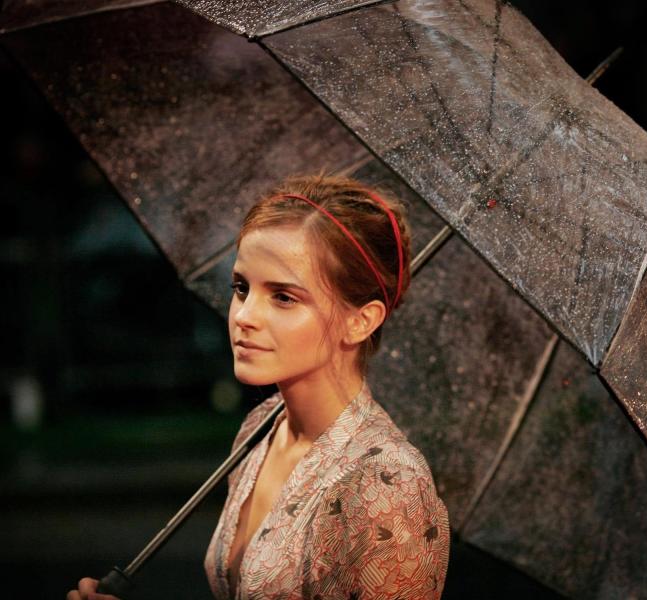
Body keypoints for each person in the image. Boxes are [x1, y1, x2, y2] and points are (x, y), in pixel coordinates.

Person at [68, 172, 450, 599]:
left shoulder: (389, 485)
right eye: (241, 288)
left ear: (361, 321)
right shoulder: (261, 427)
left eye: (284, 297)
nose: (244, 316)